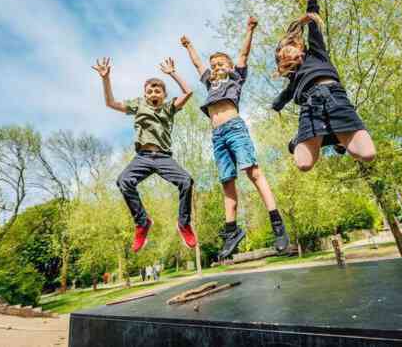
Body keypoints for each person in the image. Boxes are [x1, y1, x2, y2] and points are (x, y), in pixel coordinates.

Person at [180, 17, 290, 260]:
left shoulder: (235, 78)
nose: (216, 66)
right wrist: (189, 47)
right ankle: (232, 231)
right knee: (226, 182)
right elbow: (199, 64)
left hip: (234, 128)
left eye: (221, 63)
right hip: (216, 136)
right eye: (214, 64)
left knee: (254, 173)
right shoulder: (210, 82)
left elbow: (243, 54)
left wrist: (249, 29)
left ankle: (277, 224)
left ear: (230, 67)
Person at [92, 56, 197, 253]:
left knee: (186, 181)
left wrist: (172, 73)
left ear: (164, 95)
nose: (153, 93)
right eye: (149, 91)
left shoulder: (169, 107)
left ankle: (184, 224)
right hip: (142, 157)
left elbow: (188, 91)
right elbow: (110, 103)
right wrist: (105, 78)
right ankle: (142, 222)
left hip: (164, 157)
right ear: (145, 95)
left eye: (157, 90)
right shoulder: (139, 105)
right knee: (124, 181)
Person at [272, 0, 376, 171]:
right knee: (304, 164)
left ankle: (336, 135)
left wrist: (311, 5)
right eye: (281, 53)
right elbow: (287, 94)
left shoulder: (316, 52)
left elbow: (314, 26)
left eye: (287, 46)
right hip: (310, 105)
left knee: (367, 154)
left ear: (299, 46)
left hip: (335, 98)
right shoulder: (294, 76)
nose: (285, 51)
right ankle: (300, 138)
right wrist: (276, 105)